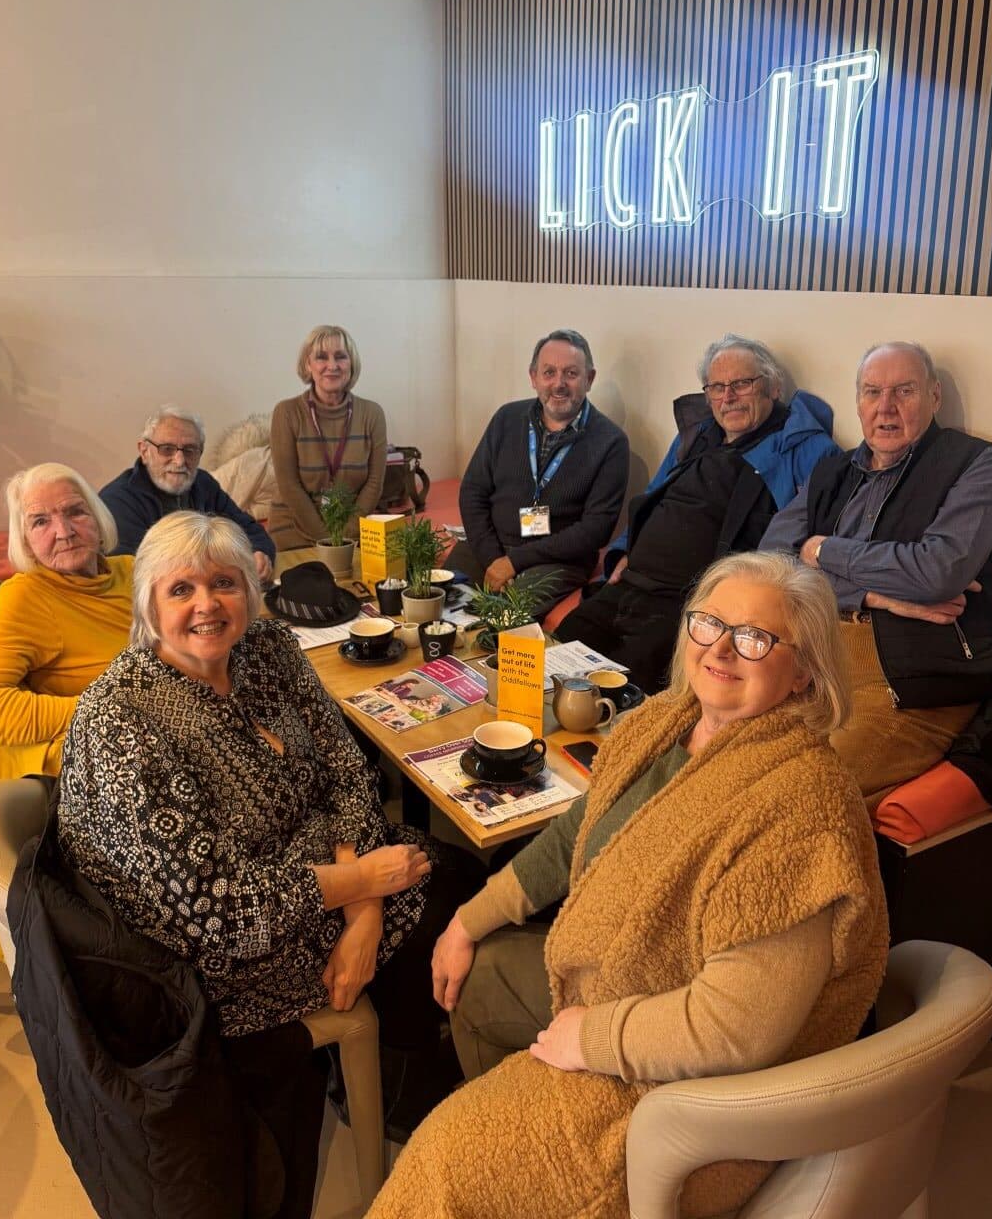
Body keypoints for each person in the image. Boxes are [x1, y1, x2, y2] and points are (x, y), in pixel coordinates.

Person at [365, 551, 888, 1219]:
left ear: (805, 671)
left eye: (755, 638)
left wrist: (591, 1038)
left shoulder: (801, 808)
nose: (721, 650)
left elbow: (737, 1032)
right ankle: (516, 1125)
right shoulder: (659, 725)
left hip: (700, 1092)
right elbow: (568, 841)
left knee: (450, 1159)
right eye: (709, 624)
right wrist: (467, 923)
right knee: (480, 976)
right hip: (616, 985)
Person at [57, 511, 478, 1216]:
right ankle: (402, 1077)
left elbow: (347, 770)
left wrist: (364, 912)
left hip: (313, 880)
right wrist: (365, 880)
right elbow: (214, 914)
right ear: (147, 607)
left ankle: (400, 1065)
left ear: (250, 592)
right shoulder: (121, 721)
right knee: (444, 881)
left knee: (449, 873)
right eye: (181, 589)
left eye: (223, 583)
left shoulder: (268, 648)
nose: (206, 605)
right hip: (209, 966)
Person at [760, 341, 992, 809]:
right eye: (872, 392)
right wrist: (875, 595)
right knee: (729, 756)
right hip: (816, 663)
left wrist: (824, 549)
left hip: (910, 685)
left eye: (904, 392)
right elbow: (773, 563)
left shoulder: (976, 462)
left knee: (801, 794)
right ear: (858, 402)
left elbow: (937, 572)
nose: (886, 408)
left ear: (934, 397)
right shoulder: (832, 470)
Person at [556, 335, 839, 692]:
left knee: (626, 688)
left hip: (689, 604)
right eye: (717, 387)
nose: (727, 397)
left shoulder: (806, 447)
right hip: (630, 585)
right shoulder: (696, 435)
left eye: (741, 384)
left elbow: (801, 541)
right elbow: (651, 498)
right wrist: (623, 552)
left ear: (773, 387)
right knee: (561, 652)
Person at [0, 462, 132, 957]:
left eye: (74, 512)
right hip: (105, 763)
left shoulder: (132, 570)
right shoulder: (28, 595)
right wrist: (97, 708)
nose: (63, 531)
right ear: (23, 537)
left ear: (97, 515)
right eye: (40, 521)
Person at [447, 330, 629, 617]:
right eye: (549, 372)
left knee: (503, 617)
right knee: (433, 597)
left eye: (571, 373)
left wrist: (514, 562)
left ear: (589, 379)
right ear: (533, 377)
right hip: (491, 547)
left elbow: (596, 529)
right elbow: (473, 492)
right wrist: (495, 558)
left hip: (557, 561)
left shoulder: (611, 442)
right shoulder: (507, 418)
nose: (559, 384)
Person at [100, 404, 276, 582]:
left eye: (190, 450)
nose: (179, 461)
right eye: (167, 449)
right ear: (144, 451)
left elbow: (248, 529)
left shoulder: (203, 483)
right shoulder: (117, 501)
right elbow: (141, 575)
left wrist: (259, 553)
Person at [268, 324, 387, 551]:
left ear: (351, 364)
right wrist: (326, 540)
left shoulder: (372, 414)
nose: (332, 366)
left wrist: (345, 537)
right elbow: (289, 485)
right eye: (321, 357)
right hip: (294, 530)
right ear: (308, 364)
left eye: (341, 357)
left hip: (356, 530)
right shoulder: (286, 412)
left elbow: (374, 484)